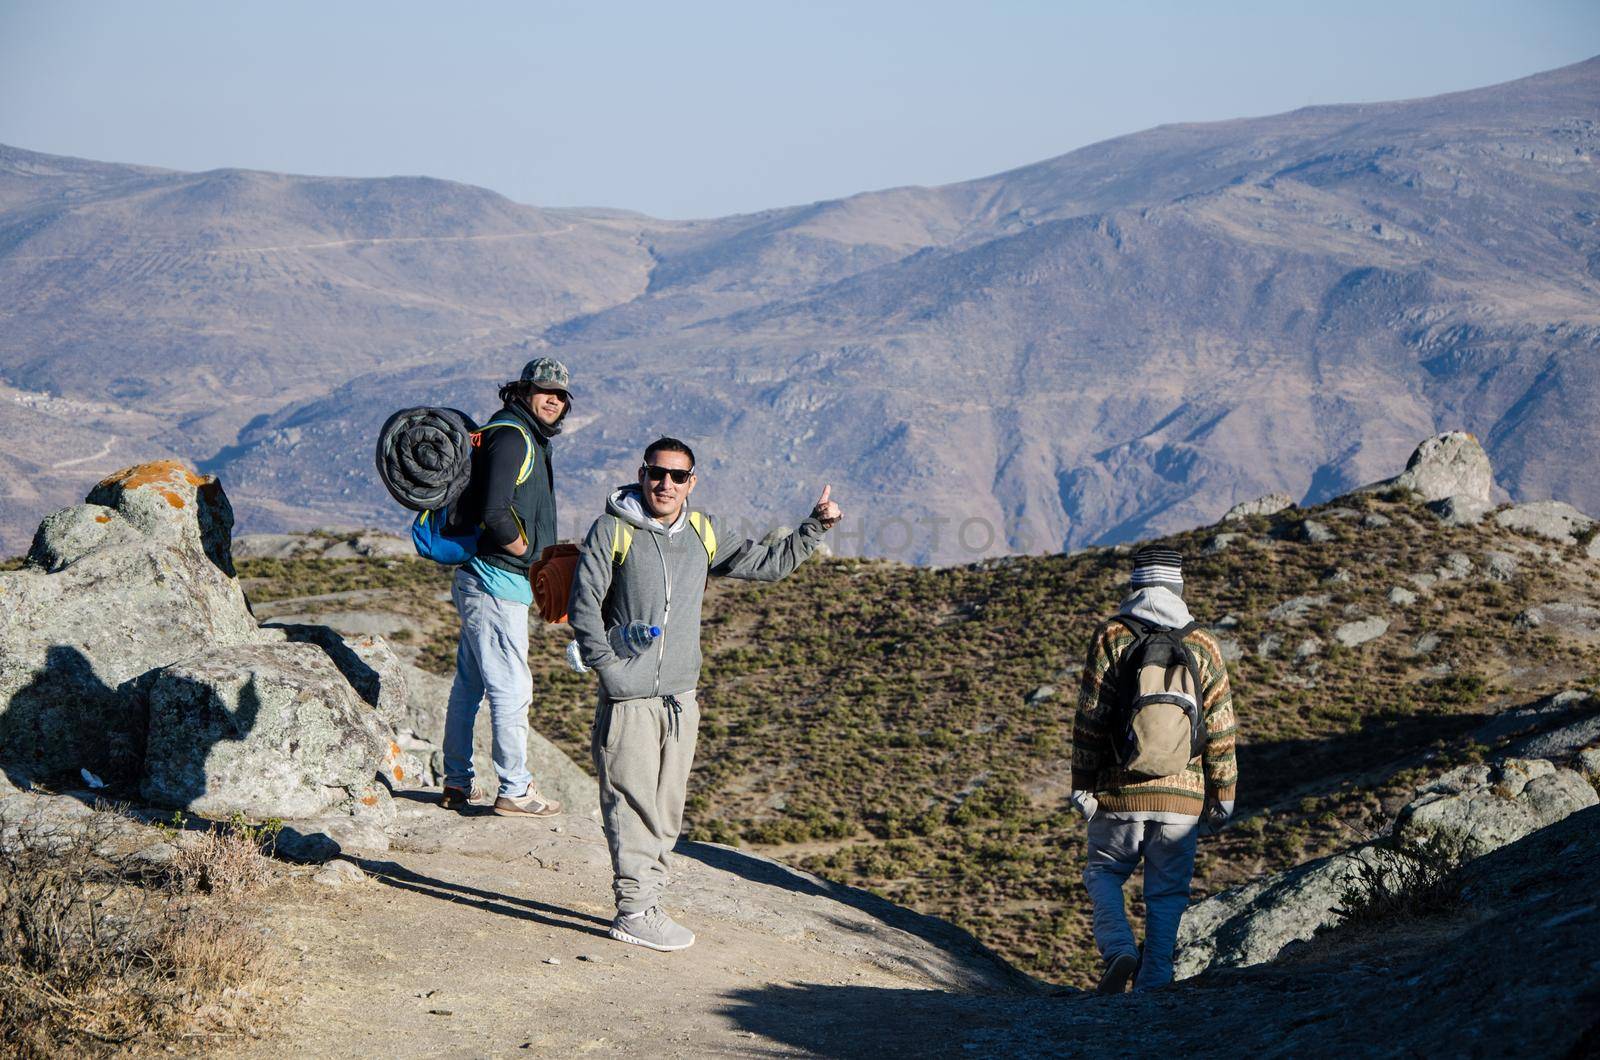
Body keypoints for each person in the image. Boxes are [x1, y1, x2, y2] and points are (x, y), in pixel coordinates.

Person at [567, 438, 842, 951]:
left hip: (681, 696)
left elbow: (768, 564)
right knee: (629, 801)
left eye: (677, 475)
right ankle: (633, 909)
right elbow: (584, 605)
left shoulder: (704, 532)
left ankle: (648, 901)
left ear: (692, 481)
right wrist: (610, 671)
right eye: (656, 473)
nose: (665, 484)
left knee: (668, 807)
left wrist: (814, 527)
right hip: (630, 697)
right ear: (642, 474)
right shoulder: (613, 530)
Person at [1067, 545, 1238, 993]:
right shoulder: (1202, 643)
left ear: (1136, 584)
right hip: (1182, 798)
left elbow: (1091, 717)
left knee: (1103, 873)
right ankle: (1156, 979)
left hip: (1118, 793)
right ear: (1178, 586)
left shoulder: (1112, 636)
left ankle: (1120, 949)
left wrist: (1082, 784)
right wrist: (1223, 794)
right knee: (1166, 894)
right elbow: (1220, 727)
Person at [439, 357, 572, 818]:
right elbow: (495, 512)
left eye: (561, 394)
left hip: (486, 579)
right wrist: (527, 554)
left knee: (470, 684)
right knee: (512, 687)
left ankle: (456, 781)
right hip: (496, 579)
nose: (553, 399)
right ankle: (514, 789)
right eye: (544, 390)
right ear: (522, 391)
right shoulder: (513, 437)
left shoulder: (519, 434)